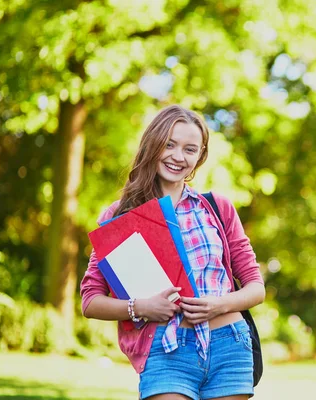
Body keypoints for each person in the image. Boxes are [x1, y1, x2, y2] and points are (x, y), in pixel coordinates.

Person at [80, 105, 265, 400]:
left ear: (199, 157)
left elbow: (256, 288)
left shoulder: (217, 208)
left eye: (190, 149)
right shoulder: (121, 216)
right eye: (169, 144)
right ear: (153, 144)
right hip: (166, 352)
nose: (178, 157)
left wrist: (218, 305)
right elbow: (90, 301)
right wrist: (140, 307)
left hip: (229, 346)